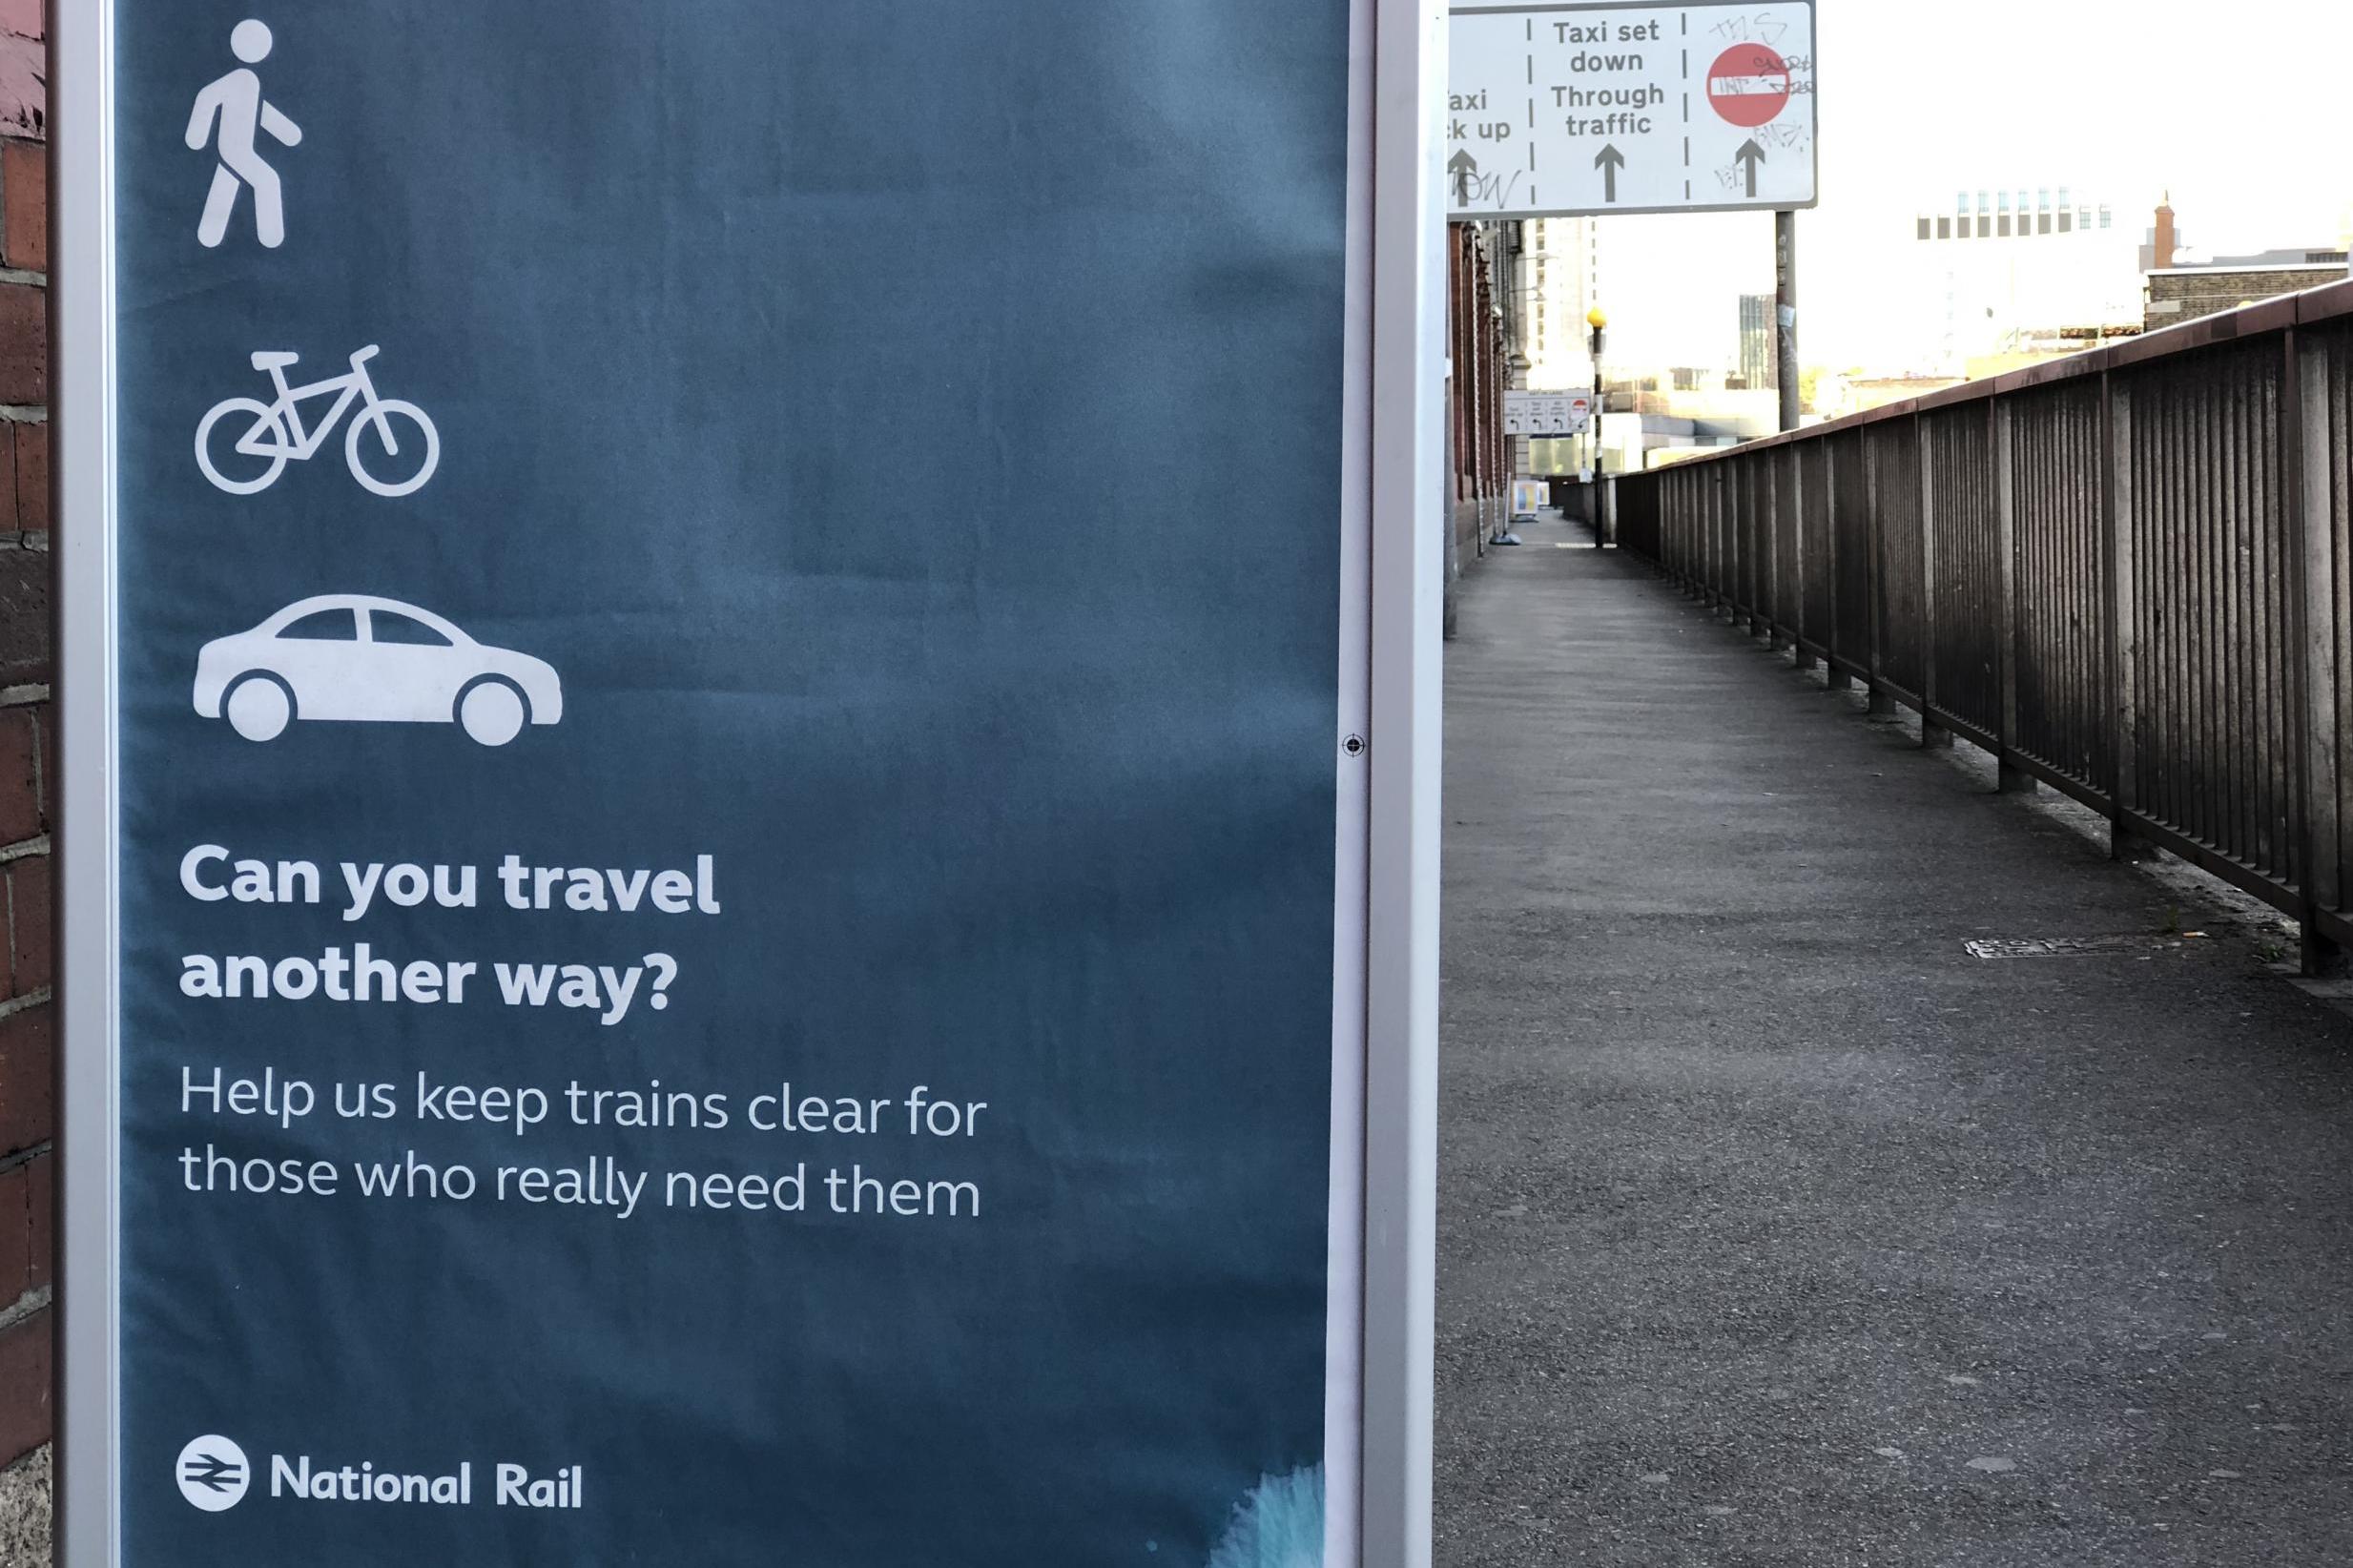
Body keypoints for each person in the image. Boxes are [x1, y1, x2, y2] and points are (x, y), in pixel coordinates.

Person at [186, 19, 301, 250]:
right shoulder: (241, 79)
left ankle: (210, 236)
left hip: (234, 149)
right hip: (235, 149)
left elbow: (258, 112)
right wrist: (196, 135)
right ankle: (270, 237)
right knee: (267, 180)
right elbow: (207, 98)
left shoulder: (248, 80)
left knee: (227, 180)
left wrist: (287, 132)